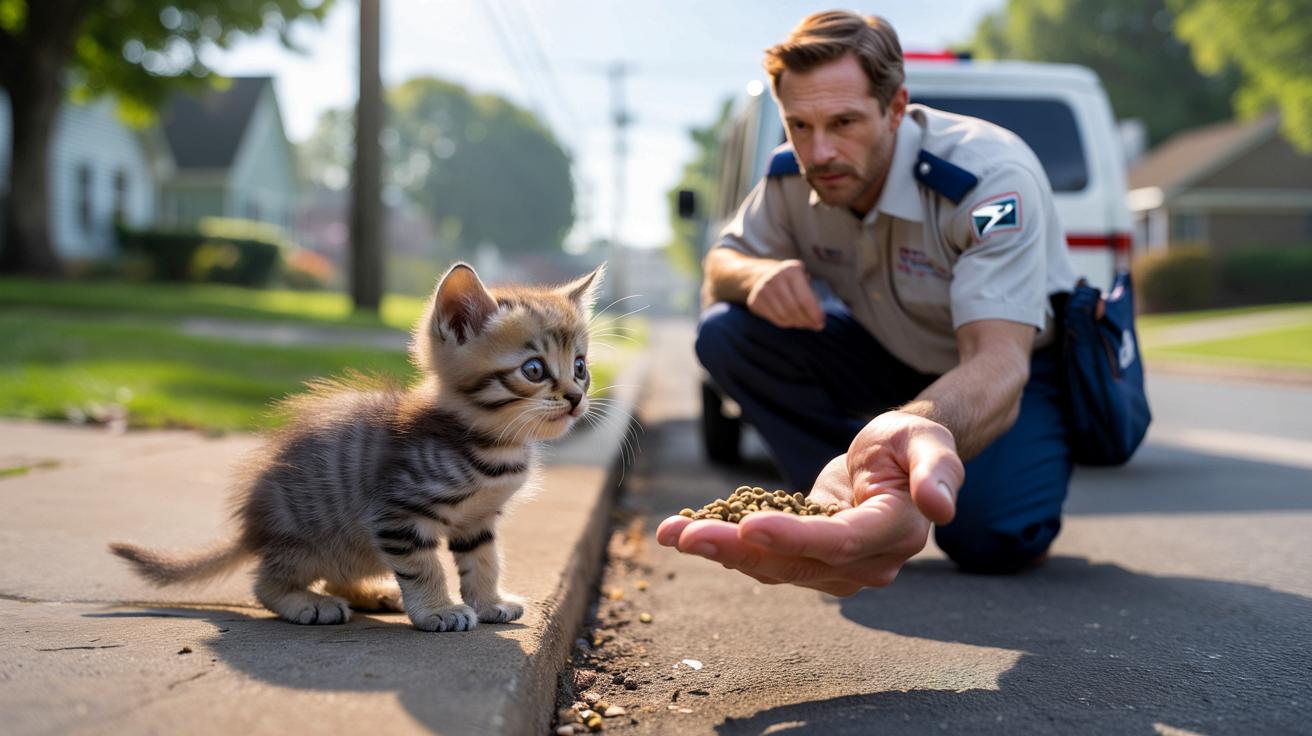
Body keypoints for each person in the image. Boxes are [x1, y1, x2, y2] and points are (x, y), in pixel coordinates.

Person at [657, 10, 1080, 593]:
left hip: (999, 375)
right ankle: (840, 494)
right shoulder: (790, 178)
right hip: (885, 351)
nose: (820, 151)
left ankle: (894, 467)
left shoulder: (988, 181)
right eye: (798, 125)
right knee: (725, 329)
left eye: (844, 122)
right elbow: (719, 264)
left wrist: (908, 427)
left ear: (897, 107)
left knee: (990, 539)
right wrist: (756, 274)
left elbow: (999, 361)